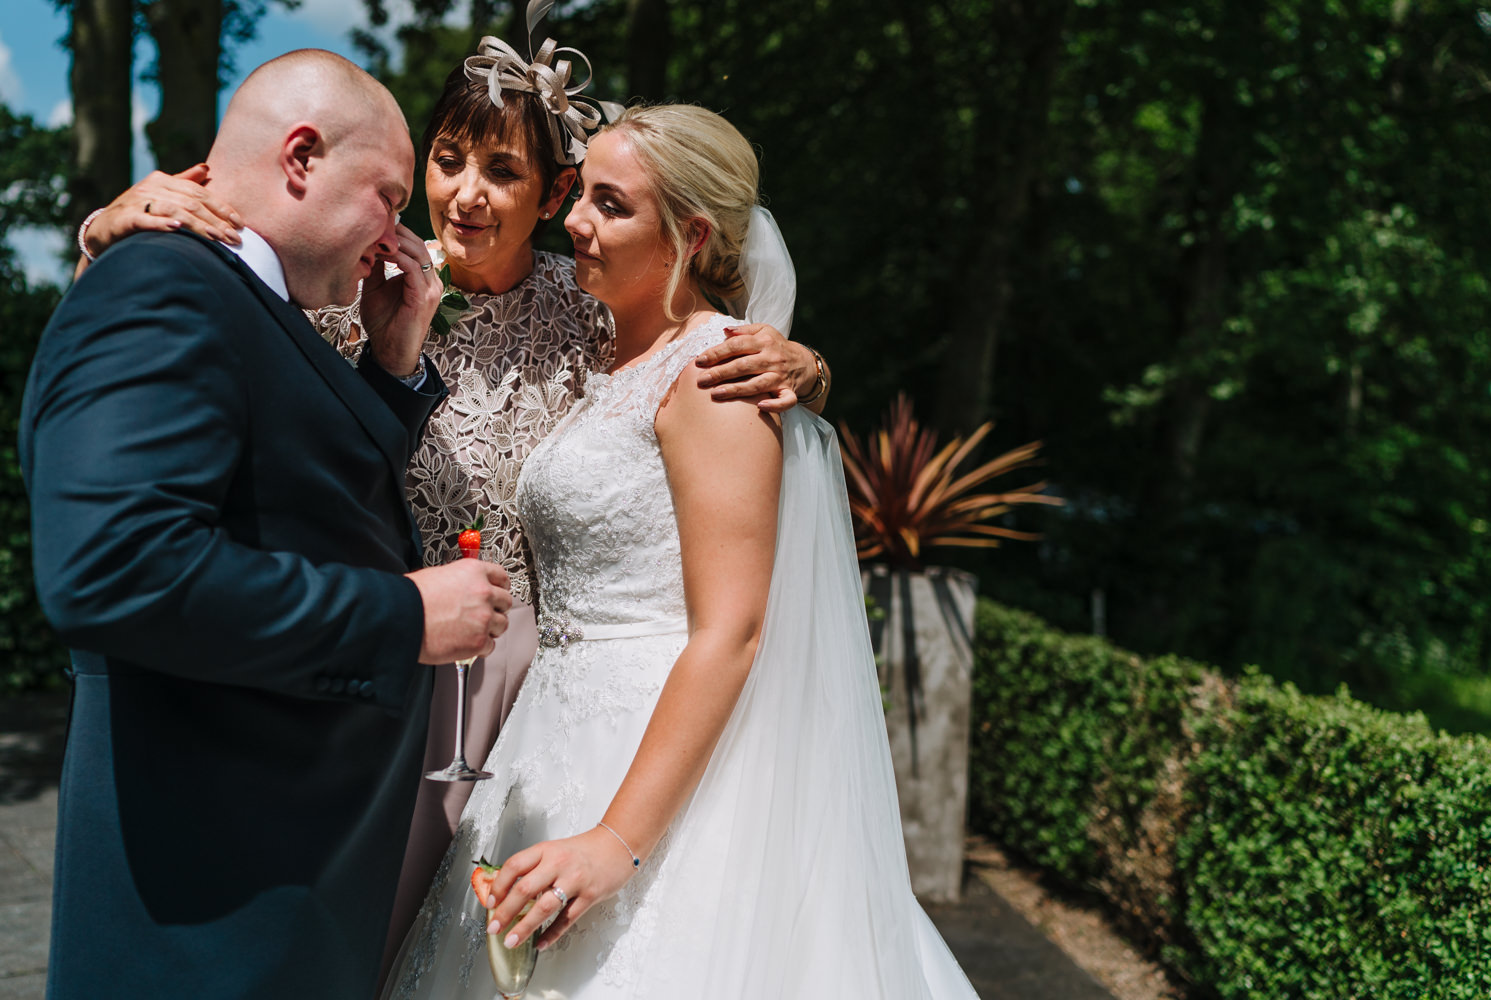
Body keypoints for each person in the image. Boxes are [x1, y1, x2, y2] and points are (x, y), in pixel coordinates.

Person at [77, 30, 832, 968]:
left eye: (503, 171)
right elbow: (197, 342)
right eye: (446, 160)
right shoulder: (352, 276)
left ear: (551, 197)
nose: (467, 192)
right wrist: (106, 227)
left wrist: (803, 367)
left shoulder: (594, 302)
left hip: (527, 682)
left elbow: (689, 361)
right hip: (375, 649)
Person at [381, 104, 979, 999]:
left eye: (609, 206)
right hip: (548, 729)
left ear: (692, 236)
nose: (575, 219)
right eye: (581, 196)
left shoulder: (714, 374)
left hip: (646, 744)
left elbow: (732, 630)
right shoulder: (616, 353)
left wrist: (615, 842)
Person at [20, 51, 513, 1000]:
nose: (397, 233)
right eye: (388, 195)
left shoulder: (242, 300)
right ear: (301, 156)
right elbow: (116, 567)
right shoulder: (163, 284)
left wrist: (391, 368)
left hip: (273, 889)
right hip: (207, 907)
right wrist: (402, 620)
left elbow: (293, 494)